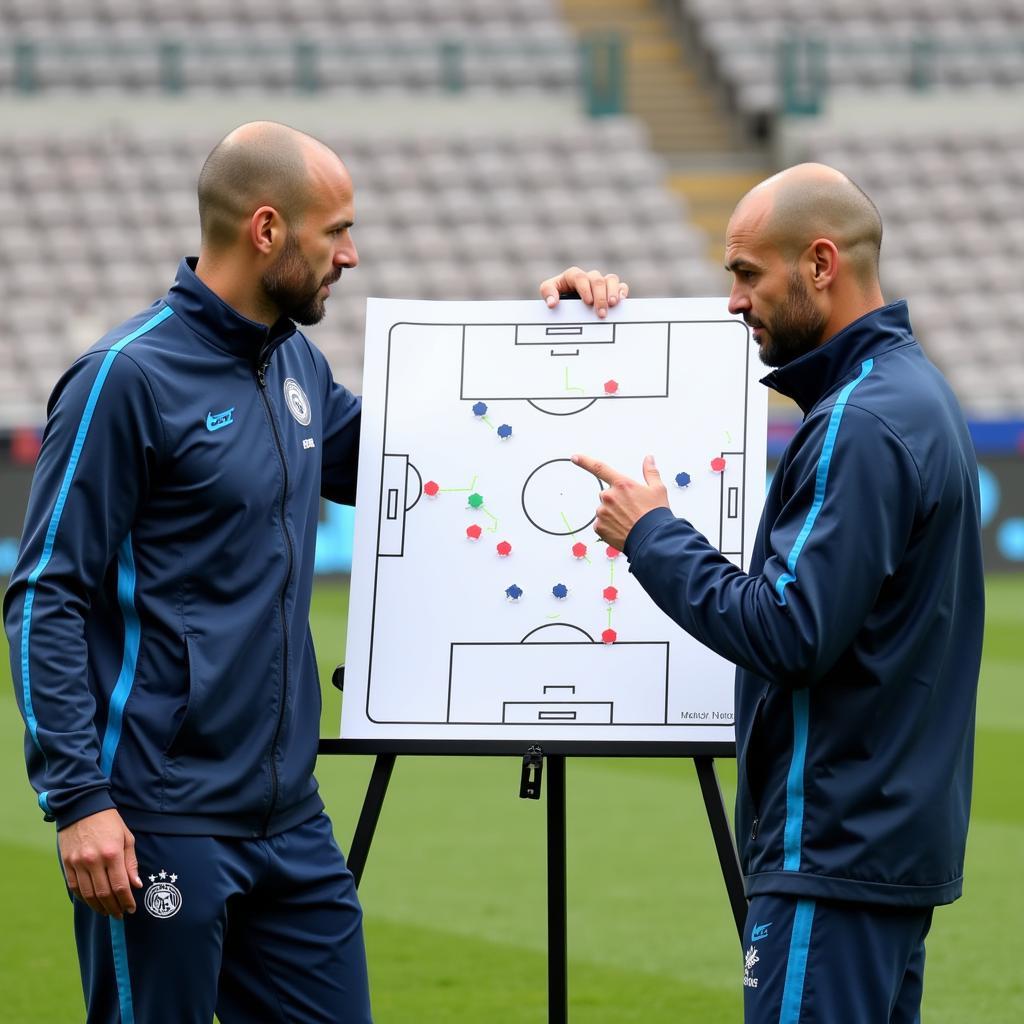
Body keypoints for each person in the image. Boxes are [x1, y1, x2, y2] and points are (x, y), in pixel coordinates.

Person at [540, 163, 984, 1023]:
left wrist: (651, 535)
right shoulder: (911, 395)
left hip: (833, 850)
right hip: (880, 848)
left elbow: (790, 631)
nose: (734, 301)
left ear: (821, 263)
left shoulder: (860, 420)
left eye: (746, 274)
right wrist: (582, 321)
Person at [4, 122, 373, 1023]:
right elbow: (43, 594)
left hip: (291, 820)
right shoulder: (123, 379)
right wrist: (79, 800)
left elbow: (422, 458)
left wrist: (548, 331)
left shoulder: (298, 364)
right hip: (158, 819)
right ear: (267, 230)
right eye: (337, 232)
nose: (352, 256)